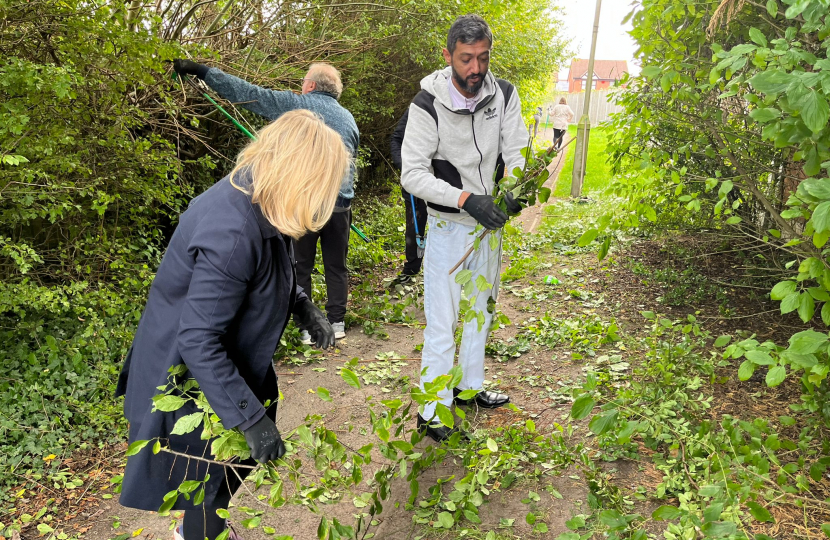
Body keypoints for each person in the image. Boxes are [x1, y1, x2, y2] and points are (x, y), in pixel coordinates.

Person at [115, 110, 348, 540]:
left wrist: (301, 305)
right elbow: (198, 339)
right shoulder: (232, 230)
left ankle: (196, 531)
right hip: (183, 374)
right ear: (299, 173)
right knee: (206, 480)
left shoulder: (260, 196)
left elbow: (264, 271)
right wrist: (250, 419)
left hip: (209, 362)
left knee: (219, 475)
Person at [401, 14, 526, 442]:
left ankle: (469, 389)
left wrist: (512, 188)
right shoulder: (426, 104)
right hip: (448, 229)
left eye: (483, 58)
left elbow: (518, 150)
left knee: (481, 313)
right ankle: (432, 412)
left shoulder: (505, 94)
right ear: (448, 56)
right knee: (442, 322)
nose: (476, 69)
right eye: (466, 59)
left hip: (489, 229)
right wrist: (466, 199)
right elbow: (412, 174)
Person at [172, 59, 359, 343]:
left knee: (301, 264)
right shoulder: (349, 119)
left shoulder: (297, 106)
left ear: (310, 85)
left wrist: (202, 72)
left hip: (304, 203)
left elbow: (248, 94)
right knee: (336, 265)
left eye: (303, 82)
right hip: (340, 207)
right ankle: (336, 322)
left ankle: (307, 328)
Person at [388, 109, 428, 286]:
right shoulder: (418, 107)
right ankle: (412, 269)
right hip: (416, 180)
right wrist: (405, 167)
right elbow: (396, 139)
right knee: (414, 227)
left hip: (445, 181)